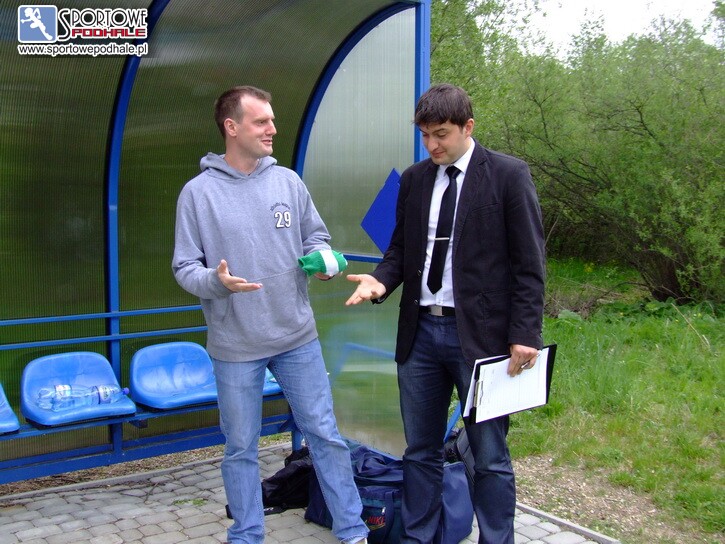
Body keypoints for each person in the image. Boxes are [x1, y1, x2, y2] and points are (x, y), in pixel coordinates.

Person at [345, 83, 545, 543]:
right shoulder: (415, 179)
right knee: (420, 451)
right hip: (420, 336)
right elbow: (400, 249)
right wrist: (380, 281)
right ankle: (419, 537)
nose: (432, 145)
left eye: (441, 135)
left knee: (489, 456)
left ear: (467, 127)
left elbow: (530, 263)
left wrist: (525, 333)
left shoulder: (508, 175)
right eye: (425, 135)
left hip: (482, 340)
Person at [173, 86, 368, 544]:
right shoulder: (197, 194)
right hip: (235, 346)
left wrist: (323, 260)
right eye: (261, 121)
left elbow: (315, 238)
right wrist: (216, 282)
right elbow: (184, 267)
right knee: (240, 447)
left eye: (272, 120)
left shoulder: (288, 183)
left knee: (325, 435)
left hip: (297, 337)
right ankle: (247, 535)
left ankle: (353, 531)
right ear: (231, 126)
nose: (273, 129)